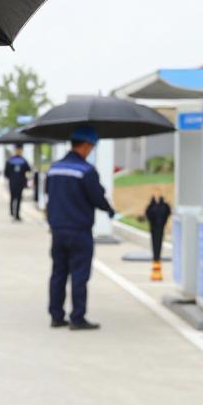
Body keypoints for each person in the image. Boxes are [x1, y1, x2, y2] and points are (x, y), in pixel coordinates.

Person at [45, 126, 115, 330]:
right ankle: (77, 318)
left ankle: (56, 316)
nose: (90, 151)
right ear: (85, 146)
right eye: (91, 147)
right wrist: (109, 209)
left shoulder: (54, 168)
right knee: (79, 274)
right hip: (79, 231)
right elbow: (98, 198)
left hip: (58, 230)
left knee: (58, 273)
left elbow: (49, 194)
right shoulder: (86, 171)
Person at [4, 143, 31, 221]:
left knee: (15, 198)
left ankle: (15, 213)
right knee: (15, 198)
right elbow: (28, 170)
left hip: (14, 182)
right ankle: (14, 213)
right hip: (19, 182)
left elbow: (6, 173)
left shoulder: (10, 160)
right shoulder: (23, 161)